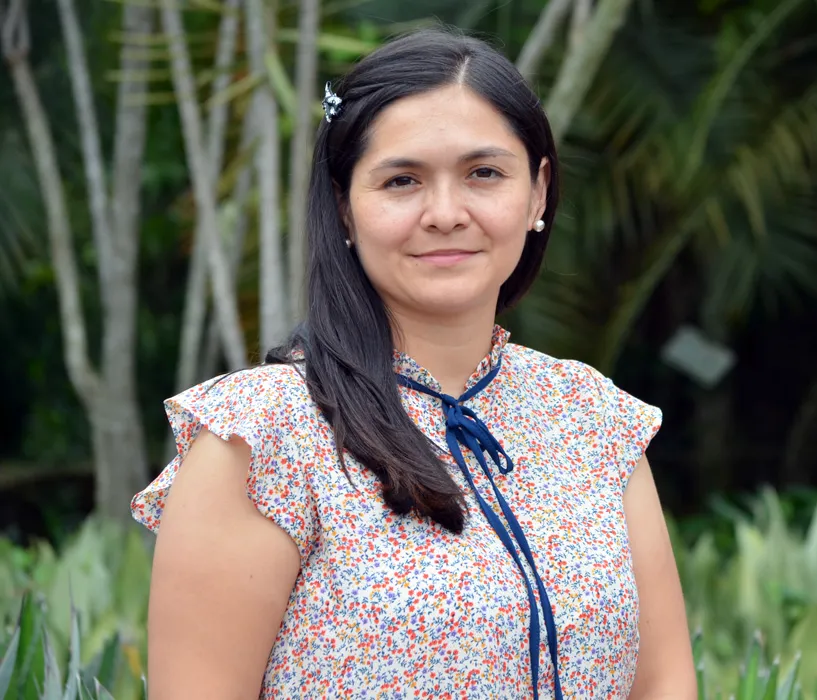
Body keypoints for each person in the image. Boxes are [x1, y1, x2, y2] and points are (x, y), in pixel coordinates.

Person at [131, 26, 696, 699]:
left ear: (538, 192)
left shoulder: (593, 418)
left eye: (483, 173)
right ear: (345, 206)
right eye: (402, 180)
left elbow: (663, 683)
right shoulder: (261, 437)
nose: (446, 213)